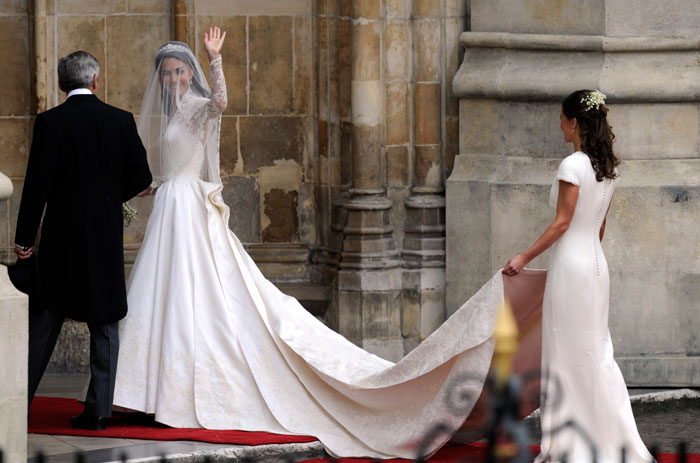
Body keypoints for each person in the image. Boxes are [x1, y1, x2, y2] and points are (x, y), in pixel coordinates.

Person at [111, 29, 543, 459]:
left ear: (190, 74)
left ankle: (178, 390)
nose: (173, 79)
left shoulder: (196, 108)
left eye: (179, 71)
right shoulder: (171, 115)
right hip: (169, 205)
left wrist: (215, 59)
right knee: (160, 296)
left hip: (188, 213)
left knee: (193, 296)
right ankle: (151, 391)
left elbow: (221, 103)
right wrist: (145, 191)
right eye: (167, 73)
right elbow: (171, 167)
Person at [503, 90, 652, 463]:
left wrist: (524, 256)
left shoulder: (573, 165)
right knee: (596, 351)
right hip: (596, 265)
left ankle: (571, 444)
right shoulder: (607, 167)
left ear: (574, 123)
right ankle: (610, 440)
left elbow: (562, 223)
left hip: (572, 266)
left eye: (561, 118)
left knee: (568, 354)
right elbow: (597, 228)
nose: (559, 125)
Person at [15, 50, 152, 430]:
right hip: (104, 239)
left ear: (62, 84)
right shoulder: (120, 120)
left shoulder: (50, 122)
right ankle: (99, 412)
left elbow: (36, 188)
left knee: (44, 322)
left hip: (60, 240)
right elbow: (141, 179)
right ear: (95, 80)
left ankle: (16, 407)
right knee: (105, 322)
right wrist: (109, 197)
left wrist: (24, 241)